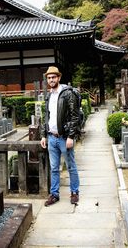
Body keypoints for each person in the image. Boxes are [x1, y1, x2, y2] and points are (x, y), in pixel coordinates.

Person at [40, 66, 80, 206]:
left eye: (53, 77)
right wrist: (43, 135)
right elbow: (47, 117)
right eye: (49, 78)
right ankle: (54, 194)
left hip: (64, 137)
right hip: (51, 138)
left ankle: (74, 192)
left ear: (59, 78)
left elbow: (75, 117)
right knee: (54, 168)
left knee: (71, 166)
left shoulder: (67, 93)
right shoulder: (48, 95)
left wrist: (71, 136)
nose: (51, 80)